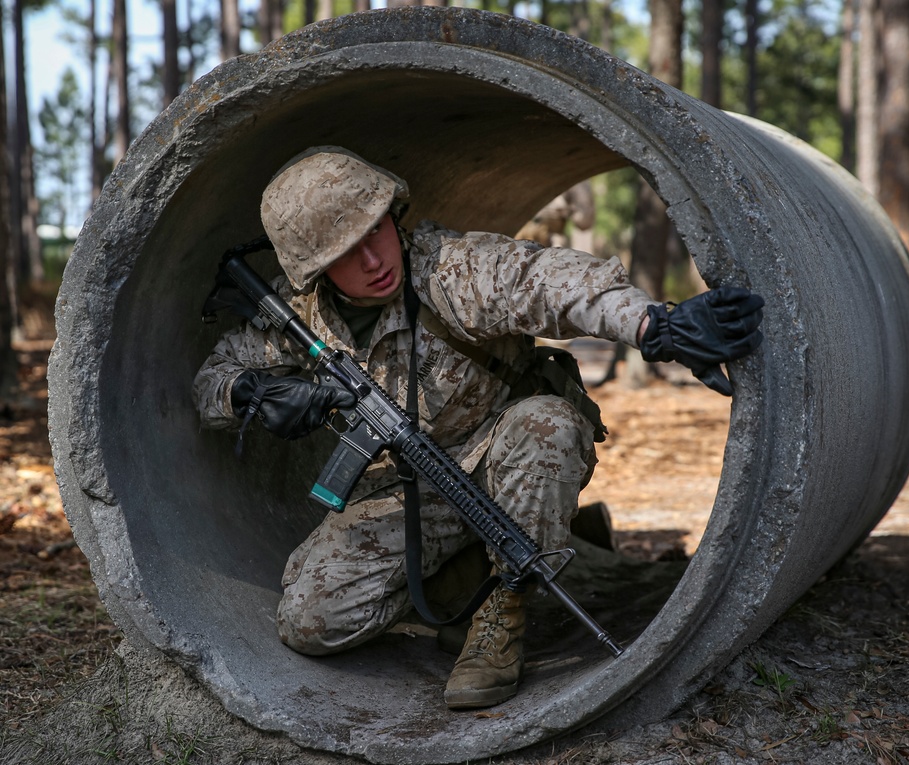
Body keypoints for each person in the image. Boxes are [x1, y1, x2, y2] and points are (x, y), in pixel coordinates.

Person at [192, 146, 764, 710]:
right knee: (309, 622)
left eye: (376, 231)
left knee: (546, 428)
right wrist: (255, 393)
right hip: (405, 488)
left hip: (503, 454)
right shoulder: (298, 322)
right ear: (315, 270)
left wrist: (650, 325)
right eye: (347, 252)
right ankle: (464, 581)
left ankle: (505, 611)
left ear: (394, 215)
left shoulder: (451, 270)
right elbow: (210, 383)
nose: (373, 259)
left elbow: (550, 282)